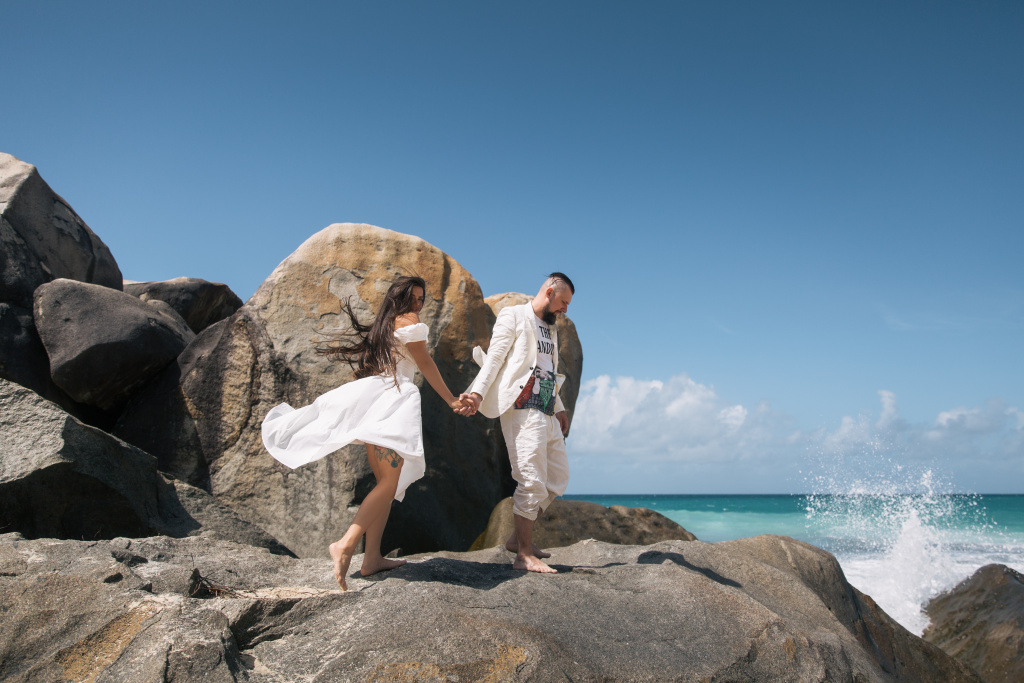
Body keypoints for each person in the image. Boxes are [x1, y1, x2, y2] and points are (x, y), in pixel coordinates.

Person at [261, 276, 474, 590]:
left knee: (385, 484)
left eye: (421, 299)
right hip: (394, 402)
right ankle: (346, 543)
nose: (417, 304)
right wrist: (452, 399)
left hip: (378, 401)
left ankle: (371, 557)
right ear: (399, 298)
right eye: (413, 297)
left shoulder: (385, 324)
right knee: (389, 484)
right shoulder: (409, 321)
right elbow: (425, 363)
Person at [459, 273, 575, 574]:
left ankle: (515, 540)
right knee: (531, 479)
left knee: (557, 478)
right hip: (522, 408)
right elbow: (495, 359)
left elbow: (547, 368)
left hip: (546, 408)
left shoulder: (550, 327)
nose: (565, 309)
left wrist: (559, 407)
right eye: (563, 302)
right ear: (549, 292)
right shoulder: (513, 316)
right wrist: (476, 394)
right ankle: (524, 554)